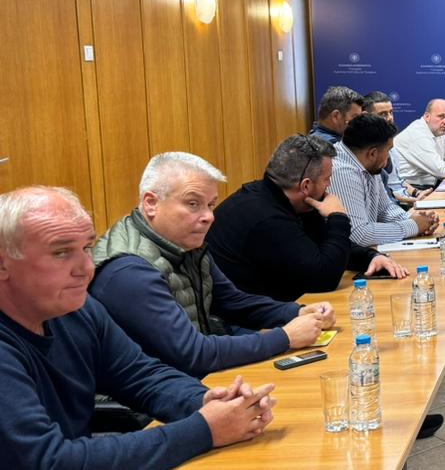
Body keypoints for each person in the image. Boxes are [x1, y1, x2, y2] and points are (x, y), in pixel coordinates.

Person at [0, 187, 278, 470]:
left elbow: (140, 374)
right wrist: (204, 429)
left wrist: (207, 401)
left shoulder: (76, 309)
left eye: (86, 248)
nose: (85, 268)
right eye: (61, 253)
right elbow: (49, 467)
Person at [90, 153, 335, 378]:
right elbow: (192, 354)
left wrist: (297, 312)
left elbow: (232, 301)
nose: (209, 216)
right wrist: (285, 337)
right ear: (151, 203)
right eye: (193, 204)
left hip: (191, 378)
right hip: (153, 396)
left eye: (210, 204)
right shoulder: (129, 271)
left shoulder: (184, 244)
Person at [207, 135, 408, 303]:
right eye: (327, 179)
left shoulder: (289, 199)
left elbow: (326, 244)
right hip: (243, 325)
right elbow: (324, 278)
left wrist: (371, 257)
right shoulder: (265, 217)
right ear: (305, 185)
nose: (329, 186)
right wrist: (338, 218)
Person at [331, 114, 439, 247]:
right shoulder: (341, 171)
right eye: (388, 151)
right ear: (372, 153)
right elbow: (359, 234)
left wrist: (417, 220)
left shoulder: (367, 162)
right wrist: (413, 226)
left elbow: (384, 209)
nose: (389, 157)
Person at [363, 91, 421, 205]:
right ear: (366, 116)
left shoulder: (390, 142)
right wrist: (413, 201)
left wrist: (417, 193)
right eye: (383, 114)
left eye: (391, 112)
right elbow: (382, 194)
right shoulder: (366, 150)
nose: (390, 118)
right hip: (394, 205)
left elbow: (398, 181)